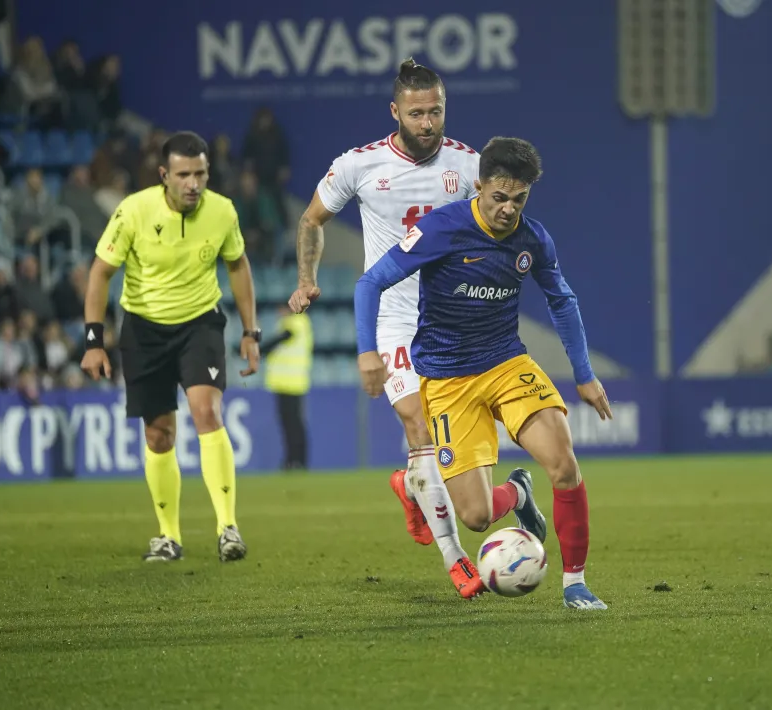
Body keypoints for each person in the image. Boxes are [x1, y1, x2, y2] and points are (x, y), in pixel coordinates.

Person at [351, 137, 612, 610]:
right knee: (473, 516)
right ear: (479, 186)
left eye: (519, 199)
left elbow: (562, 300)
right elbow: (371, 282)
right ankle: (516, 492)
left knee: (565, 464)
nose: (509, 209)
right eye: (499, 197)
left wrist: (585, 374)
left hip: (506, 364)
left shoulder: (533, 239)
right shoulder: (440, 230)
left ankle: (576, 584)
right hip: (447, 380)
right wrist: (368, 351)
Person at [288, 59, 482, 597]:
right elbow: (311, 219)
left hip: (453, 321)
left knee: (457, 458)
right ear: (395, 111)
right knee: (417, 426)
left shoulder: (470, 167)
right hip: (394, 319)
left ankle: (413, 486)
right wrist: (307, 278)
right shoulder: (360, 165)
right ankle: (455, 560)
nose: (427, 122)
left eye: (436, 111)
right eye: (416, 112)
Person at [81, 131, 261, 563]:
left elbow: (237, 265)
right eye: (183, 174)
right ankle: (167, 536)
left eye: (200, 173)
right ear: (164, 175)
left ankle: (227, 529)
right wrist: (93, 340)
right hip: (144, 329)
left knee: (207, 411)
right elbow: (100, 273)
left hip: (200, 323)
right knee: (158, 433)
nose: (193, 183)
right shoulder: (133, 211)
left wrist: (251, 332)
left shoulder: (222, 212)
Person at [261, 305, 313, 470]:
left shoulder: (296, 322)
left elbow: (282, 338)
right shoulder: (294, 323)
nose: (279, 313)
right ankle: (293, 460)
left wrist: (258, 349)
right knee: (290, 425)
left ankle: (297, 461)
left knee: (293, 425)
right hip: (286, 383)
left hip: (292, 383)